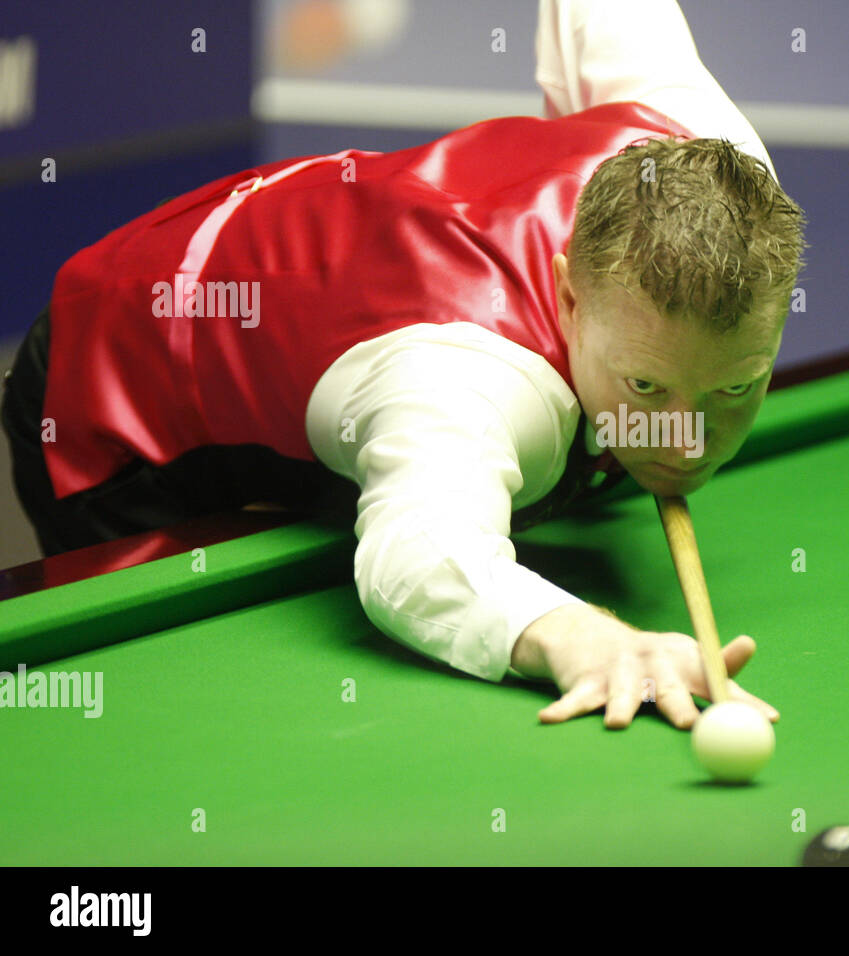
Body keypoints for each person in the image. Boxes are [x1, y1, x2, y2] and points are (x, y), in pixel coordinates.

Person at [1, 0, 806, 730]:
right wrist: (582, 636)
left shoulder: (710, 151)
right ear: (567, 296)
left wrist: (633, 401)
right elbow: (417, 559)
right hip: (125, 387)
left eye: (737, 387)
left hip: (315, 280)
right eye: (645, 386)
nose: (689, 438)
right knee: (168, 710)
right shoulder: (462, 376)